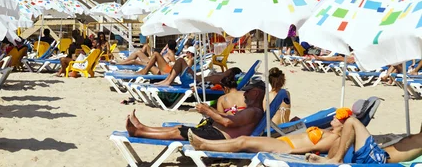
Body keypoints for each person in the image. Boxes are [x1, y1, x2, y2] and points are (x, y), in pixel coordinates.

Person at [126, 80, 266, 141]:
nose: (244, 94)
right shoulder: (253, 111)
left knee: (177, 132)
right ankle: (142, 127)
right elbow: (228, 117)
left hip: (219, 137)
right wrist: (211, 109)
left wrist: (208, 112)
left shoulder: (253, 111)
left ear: (256, 93)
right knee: (179, 128)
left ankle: (138, 132)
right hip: (216, 133)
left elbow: (228, 123)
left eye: (247, 92)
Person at [188, 107, 353, 155]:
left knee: (243, 142)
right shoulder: (330, 130)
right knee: (244, 140)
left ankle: (204, 145)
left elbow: (312, 148)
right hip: (285, 142)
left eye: (339, 117)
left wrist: (291, 152)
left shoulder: (334, 138)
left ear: (344, 123)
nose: (335, 117)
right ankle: (205, 144)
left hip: (286, 148)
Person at [308, 115, 422, 164]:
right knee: (341, 139)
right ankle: (329, 159)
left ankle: (337, 159)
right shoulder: (419, 137)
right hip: (378, 153)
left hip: (378, 159)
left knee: (351, 122)